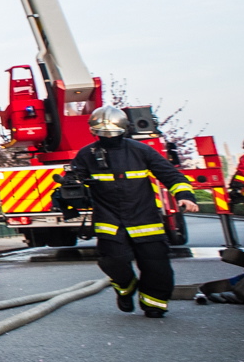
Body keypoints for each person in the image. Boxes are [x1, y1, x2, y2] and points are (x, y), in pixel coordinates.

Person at [66, 105, 199, 318]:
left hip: (144, 217)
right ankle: (125, 288)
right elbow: (73, 179)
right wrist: (70, 189)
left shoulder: (140, 150)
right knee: (113, 262)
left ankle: (154, 304)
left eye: (111, 132)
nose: (107, 136)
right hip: (109, 219)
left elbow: (171, 175)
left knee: (156, 265)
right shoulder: (86, 155)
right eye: (102, 132)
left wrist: (185, 195)